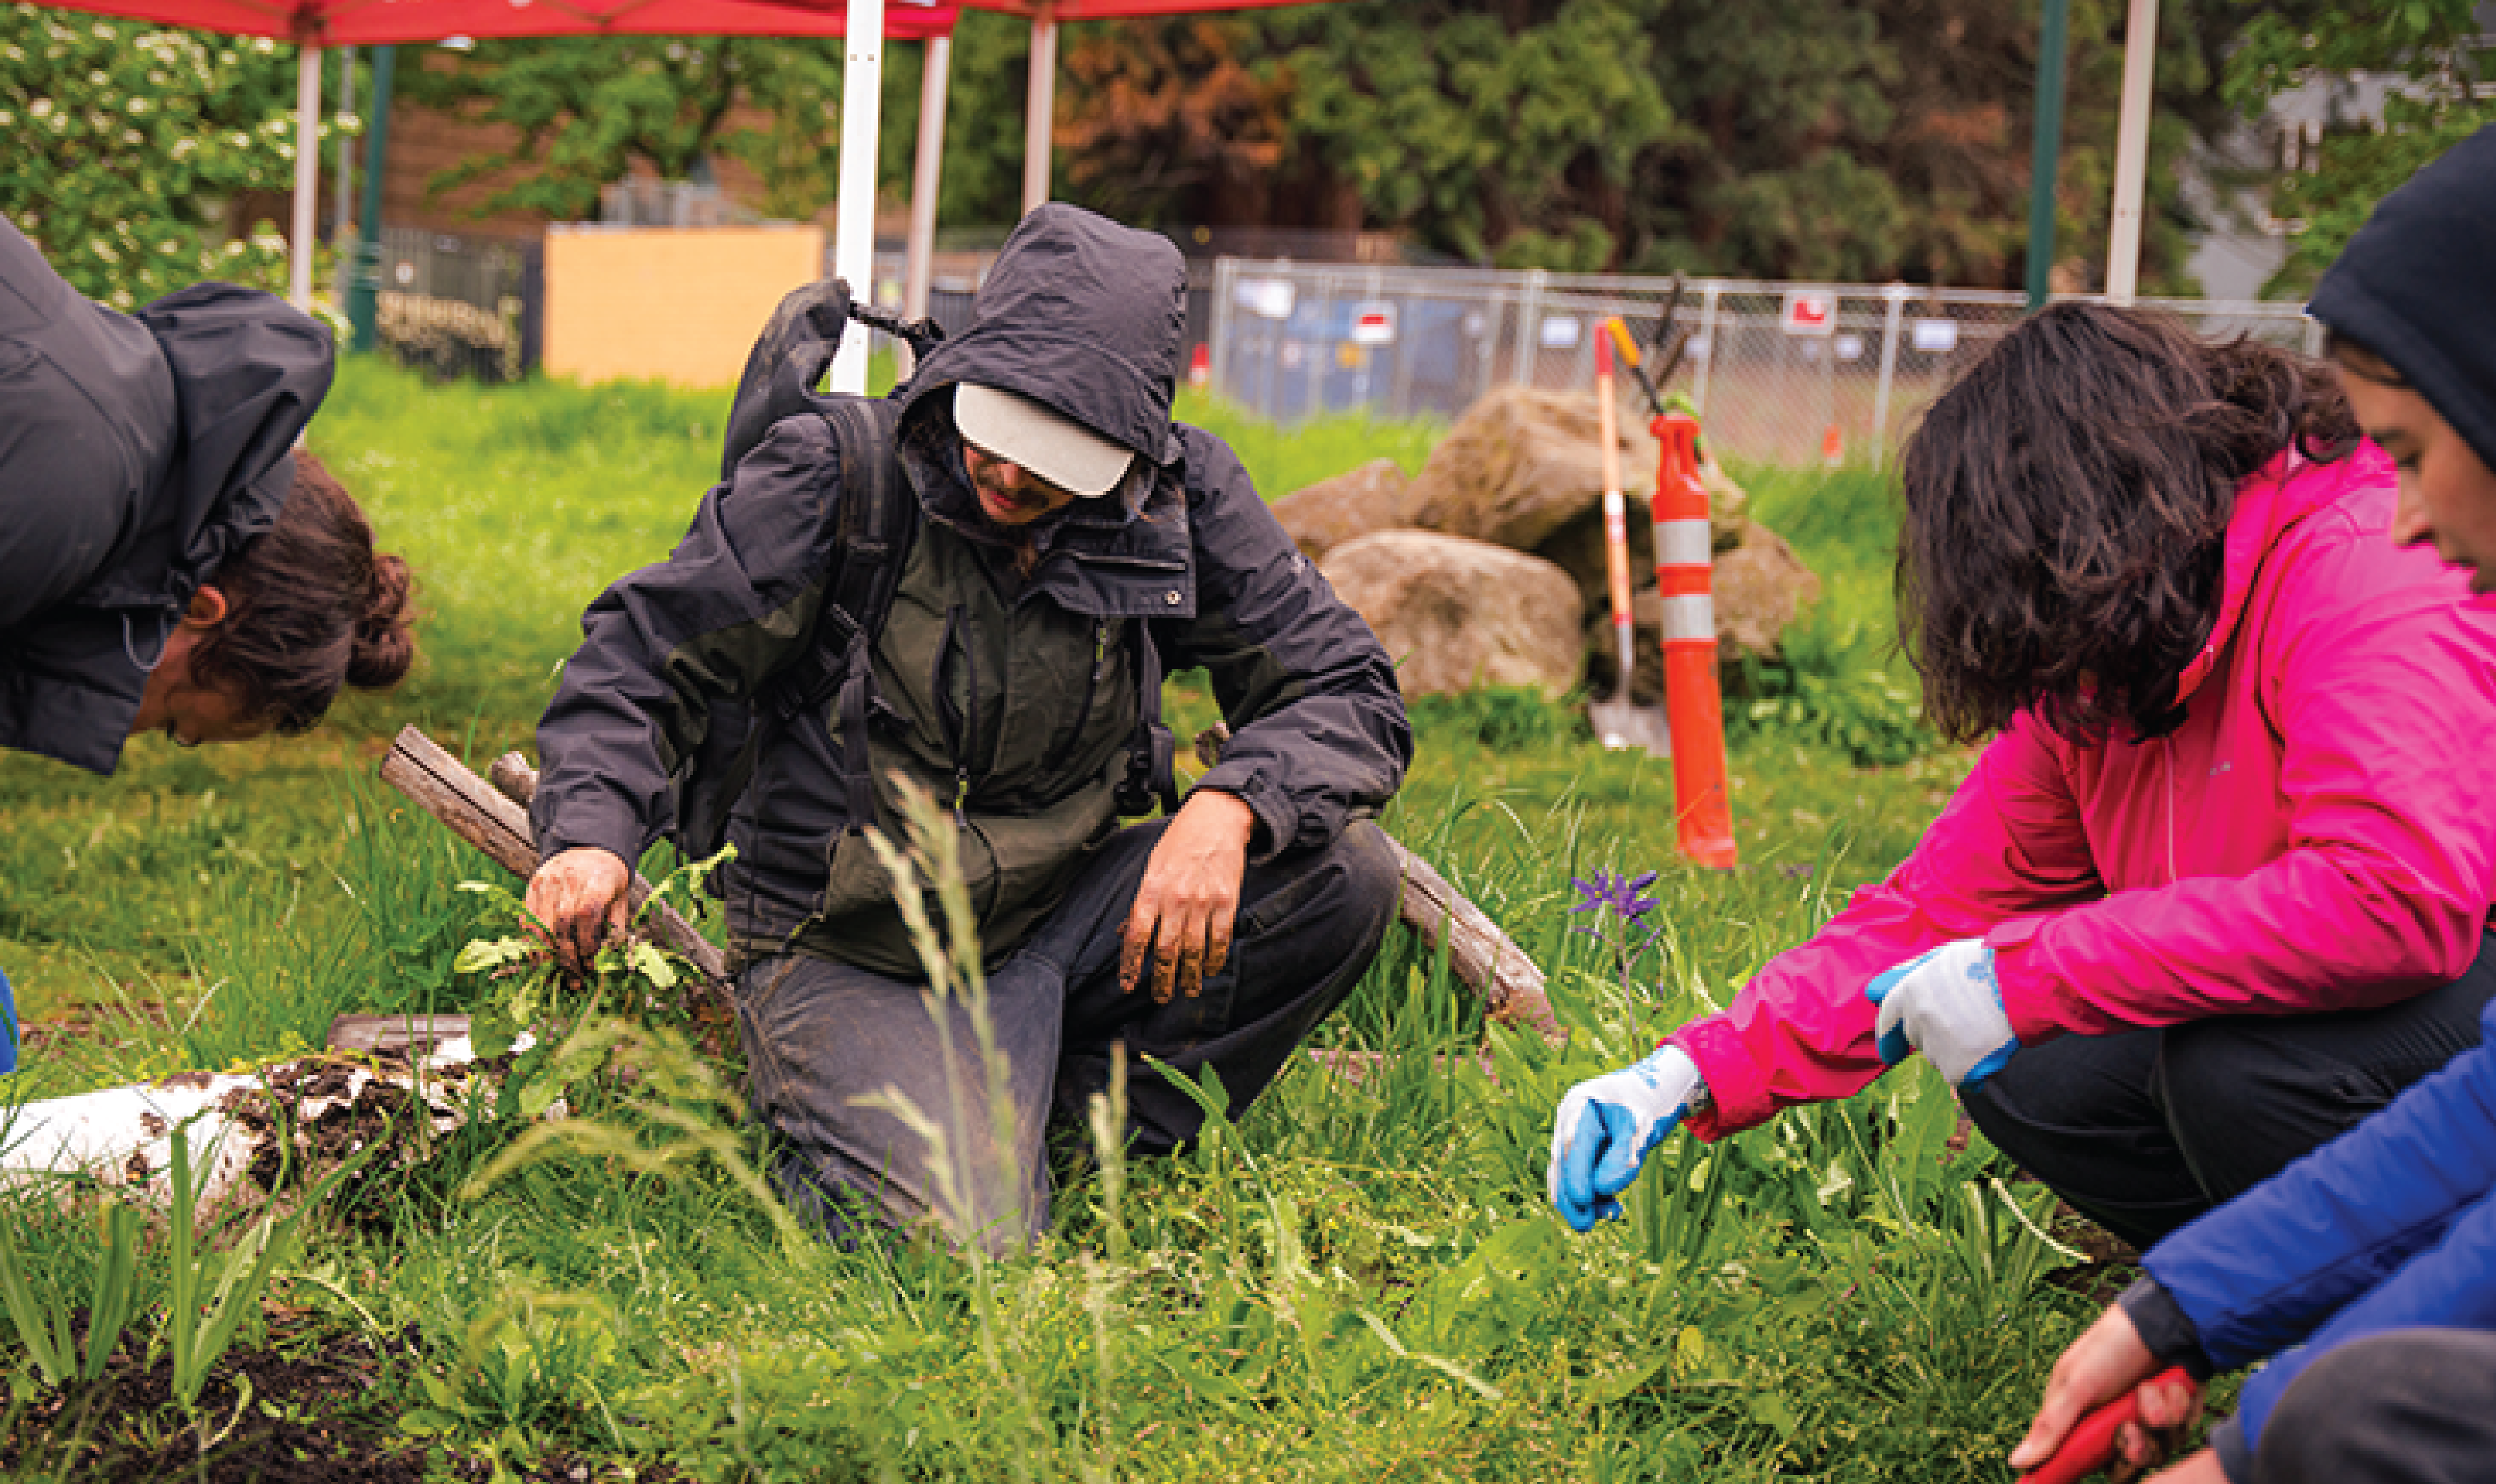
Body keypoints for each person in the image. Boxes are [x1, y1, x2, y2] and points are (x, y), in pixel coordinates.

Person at [524, 204, 1412, 1250]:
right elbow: (643, 655)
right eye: (999, 432)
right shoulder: (837, 471)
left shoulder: (1183, 497)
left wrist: (1230, 809)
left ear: (1130, 454)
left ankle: (1067, 1151)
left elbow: (1352, 687)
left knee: (1343, 876)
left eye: (1055, 458)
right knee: (960, 1254)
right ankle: (937, 1170)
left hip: (1060, 920)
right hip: (853, 945)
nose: (1010, 475)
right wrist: (588, 834)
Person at [1549, 298, 2496, 1251]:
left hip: (2464, 976)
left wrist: (2038, 972)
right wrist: (1687, 1072)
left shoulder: (2362, 566)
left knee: (2236, 1072)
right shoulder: (2115, 664)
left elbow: (2392, 898)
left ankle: (2432, 1341)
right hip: (2335, 1009)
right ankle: (2252, 1293)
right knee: (2026, 1070)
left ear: (2108, 532)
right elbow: (1934, 911)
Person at [2005, 126, 2496, 1484]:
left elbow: (2394, 904)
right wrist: (2182, 1310)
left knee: (2357, 1421)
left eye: (2407, 451)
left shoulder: (2353, 580)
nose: (2397, 517)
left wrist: (2269, 1431)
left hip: (2417, 983)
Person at [0, 149, 413, 771]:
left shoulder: (114, 438)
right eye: (172, 721)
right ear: (202, 610)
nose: (131, 731)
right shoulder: (60, 497)